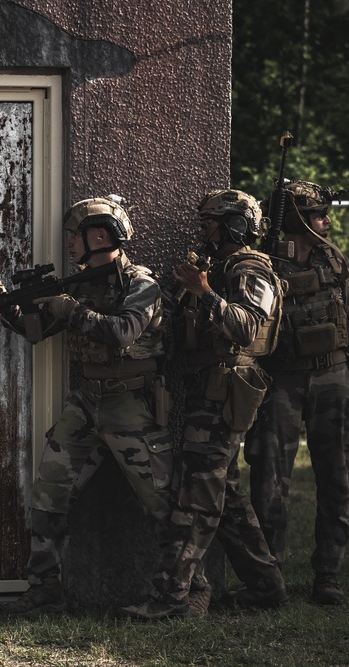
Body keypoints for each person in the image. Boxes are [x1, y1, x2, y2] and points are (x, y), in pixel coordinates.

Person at [0, 195, 174, 615]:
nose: (68, 243)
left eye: (73, 235)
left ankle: (179, 592)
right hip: (86, 403)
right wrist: (3, 303)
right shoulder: (78, 284)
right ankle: (44, 587)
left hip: (130, 403)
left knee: (163, 503)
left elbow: (122, 332)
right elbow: (36, 331)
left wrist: (72, 309)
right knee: (48, 495)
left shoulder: (141, 283)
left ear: (98, 236)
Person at [123, 188, 287, 620]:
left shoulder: (251, 269)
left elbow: (248, 328)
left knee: (198, 496)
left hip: (225, 391)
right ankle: (266, 586)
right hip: (206, 390)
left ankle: (172, 598)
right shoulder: (220, 267)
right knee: (225, 494)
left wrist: (205, 291)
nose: (201, 231)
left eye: (209, 223)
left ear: (234, 225)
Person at [244, 180, 349, 605]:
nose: (326, 220)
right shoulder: (263, 265)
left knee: (336, 478)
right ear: (294, 220)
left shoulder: (334, 261)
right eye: (316, 214)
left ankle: (328, 575)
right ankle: (271, 576)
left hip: (334, 378)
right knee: (270, 479)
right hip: (282, 379)